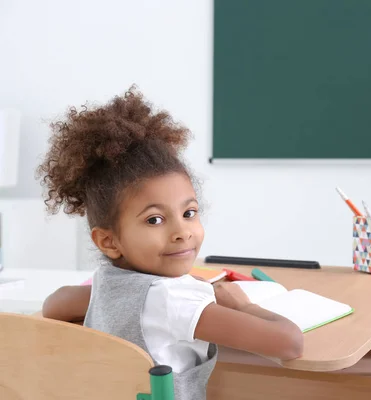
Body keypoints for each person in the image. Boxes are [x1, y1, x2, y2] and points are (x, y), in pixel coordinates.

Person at [39, 86, 303, 400]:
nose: (182, 232)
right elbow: (290, 343)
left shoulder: (109, 282)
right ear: (108, 241)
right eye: (155, 220)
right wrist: (243, 306)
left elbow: (54, 304)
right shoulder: (175, 300)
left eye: (189, 213)